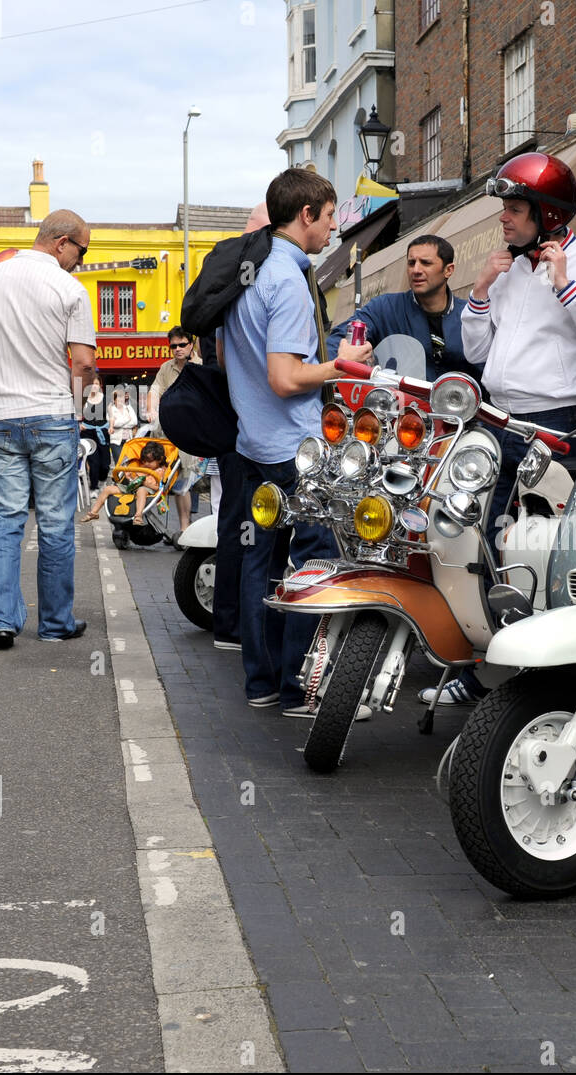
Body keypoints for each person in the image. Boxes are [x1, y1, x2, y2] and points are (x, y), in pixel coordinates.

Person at [434, 152, 576, 708]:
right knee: (477, 540)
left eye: (515, 208)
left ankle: (542, 667)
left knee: (541, 550)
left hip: (554, 427)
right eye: (505, 208)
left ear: (547, 214)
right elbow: (475, 350)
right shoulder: (506, 267)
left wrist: (567, 287)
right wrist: (477, 293)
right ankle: (482, 661)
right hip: (493, 420)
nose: (504, 217)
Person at [221, 168, 341, 715]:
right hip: (295, 449)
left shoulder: (246, 275)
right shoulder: (289, 281)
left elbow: (229, 360)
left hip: (251, 444)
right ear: (306, 215)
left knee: (259, 563)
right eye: (331, 215)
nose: (334, 227)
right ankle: (299, 688)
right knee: (314, 562)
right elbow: (285, 377)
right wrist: (341, 365)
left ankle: (260, 682)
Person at [0, 208, 97, 648]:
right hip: (53, 416)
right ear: (61, 243)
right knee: (55, 525)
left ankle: (0, 620)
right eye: (82, 250)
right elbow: (84, 362)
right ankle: (55, 624)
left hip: (1, 419)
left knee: (4, 523)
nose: (81, 259)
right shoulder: (68, 288)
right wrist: (75, 407)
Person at [210, 200, 270, 652]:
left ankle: (231, 621)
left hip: (238, 416)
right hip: (255, 421)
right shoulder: (261, 271)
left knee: (237, 520)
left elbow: (223, 354)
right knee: (247, 524)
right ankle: (236, 624)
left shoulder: (234, 275)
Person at [334, 234, 483, 381]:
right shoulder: (384, 308)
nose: (416, 270)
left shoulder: (470, 315)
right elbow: (341, 337)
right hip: (402, 402)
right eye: (411, 263)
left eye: (426, 263)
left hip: (461, 402)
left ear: (448, 270)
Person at [147, 325, 199, 536]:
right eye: (173, 346)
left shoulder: (201, 366)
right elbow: (155, 389)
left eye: (182, 345)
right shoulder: (166, 368)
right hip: (168, 432)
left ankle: (185, 527)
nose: (177, 349)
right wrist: (151, 409)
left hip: (192, 432)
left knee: (184, 480)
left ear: (191, 344)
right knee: (165, 476)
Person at [80, 441, 167, 525]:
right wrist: (129, 476)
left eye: (150, 461)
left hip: (146, 489)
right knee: (108, 489)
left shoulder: (160, 471)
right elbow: (133, 477)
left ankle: (138, 515)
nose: (146, 463)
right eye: (144, 461)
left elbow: (159, 488)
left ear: (160, 459)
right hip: (131, 487)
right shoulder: (140, 466)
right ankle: (93, 512)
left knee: (141, 490)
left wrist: (145, 484)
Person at [79, 376, 110, 488]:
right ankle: (94, 487)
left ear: (100, 385)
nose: (94, 386)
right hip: (88, 433)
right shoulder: (83, 399)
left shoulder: (106, 398)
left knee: (105, 464)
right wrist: (79, 424)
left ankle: (102, 479)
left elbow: (112, 413)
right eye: (92, 384)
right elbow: (75, 414)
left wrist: (111, 425)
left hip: (103, 432)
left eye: (96, 383)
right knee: (94, 462)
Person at [108, 387, 138, 466]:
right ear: (114, 400)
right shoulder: (111, 410)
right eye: (118, 397)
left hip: (128, 440)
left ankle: (126, 478)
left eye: (122, 397)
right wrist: (127, 419)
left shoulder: (129, 408)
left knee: (129, 463)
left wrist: (122, 422)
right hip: (116, 441)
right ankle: (119, 477)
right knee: (119, 463)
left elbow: (134, 421)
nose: (121, 400)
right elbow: (115, 424)